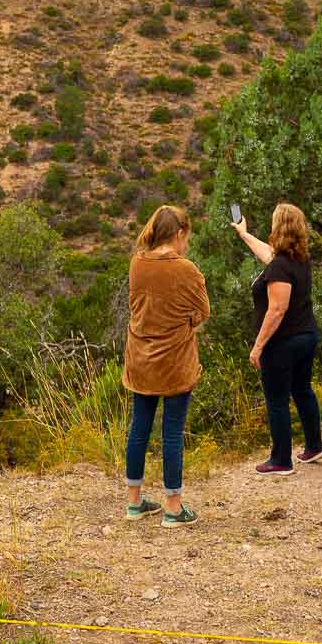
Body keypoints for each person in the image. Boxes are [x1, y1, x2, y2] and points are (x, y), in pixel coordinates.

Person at [123, 205, 210, 527]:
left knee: (139, 428)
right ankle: (173, 508)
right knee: (172, 432)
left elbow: (137, 307)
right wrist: (183, 321)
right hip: (175, 360)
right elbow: (203, 312)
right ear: (179, 234)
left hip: (140, 357)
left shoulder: (137, 263)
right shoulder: (186, 269)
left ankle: (134, 502)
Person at [233, 203, 322, 474]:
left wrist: (258, 346)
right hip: (306, 336)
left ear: (278, 227)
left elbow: (277, 309)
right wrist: (243, 234)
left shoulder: (280, 268)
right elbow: (268, 253)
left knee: (277, 400)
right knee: (303, 390)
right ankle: (314, 446)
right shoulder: (297, 260)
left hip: (283, 343)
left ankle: (281, 460)